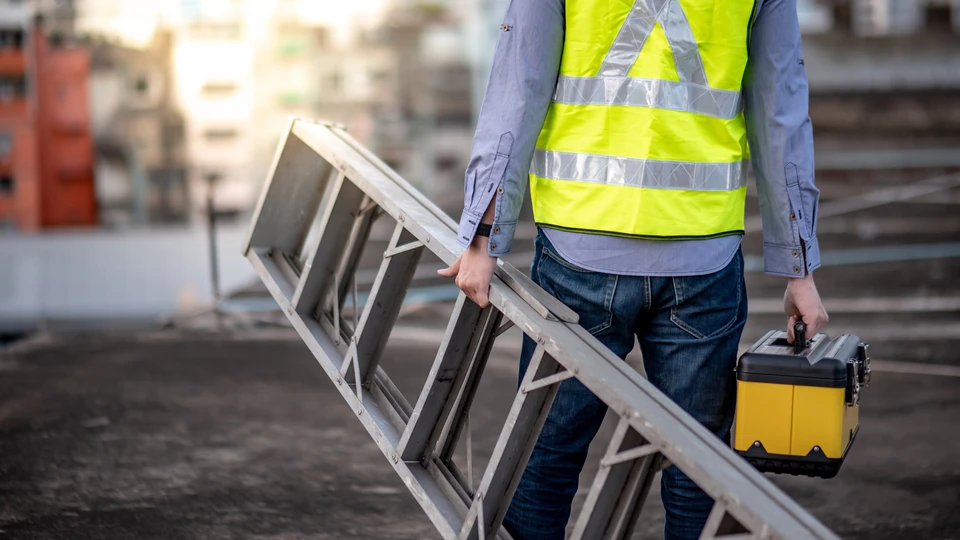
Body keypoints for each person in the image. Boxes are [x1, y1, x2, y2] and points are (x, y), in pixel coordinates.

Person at [438, 0, 828, 537]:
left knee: (544, 452)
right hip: (702, 255)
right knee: (700, 469)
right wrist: (799, 268)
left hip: (580, 250)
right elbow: (780, 111)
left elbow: (516, 90)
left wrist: (482, 234)